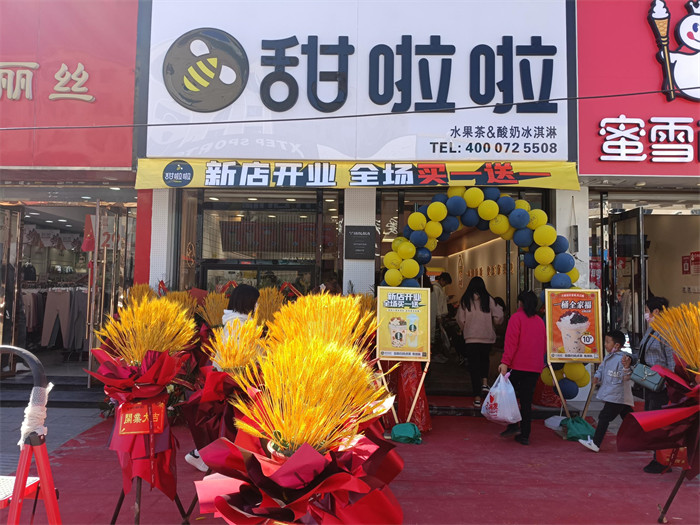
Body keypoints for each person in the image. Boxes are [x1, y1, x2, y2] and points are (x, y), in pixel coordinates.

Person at [185, 284, 260, 473]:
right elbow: (245, 356)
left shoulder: (234, 323)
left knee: (230, 425)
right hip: (236, 382)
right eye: (256, 302)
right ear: (249, 303)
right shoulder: (239, 326)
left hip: (229, 381)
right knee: (235, 426)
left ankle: (201, 454)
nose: (258, 306)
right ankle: (205, 456)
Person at [497, 290, 546, 445]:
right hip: (534, 367)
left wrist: (505, 362)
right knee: (526, 401)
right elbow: (543, 344)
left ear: (521, 303)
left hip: (517, 365)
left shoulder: (516, 318)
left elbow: (511, 343)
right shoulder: (539, 321)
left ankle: (513, 425)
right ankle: (525, 434)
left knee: (509, 397)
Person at [637, 296, 676, 474]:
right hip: (650, 380)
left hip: (662, 383)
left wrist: (671, 382)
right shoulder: (652, 329)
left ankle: (662, 459)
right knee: (652, 418)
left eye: (647, 310)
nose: (645, 314)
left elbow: (671, 360)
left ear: (656, 311)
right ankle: (657, 457)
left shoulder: (667, 332)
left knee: (659, 422)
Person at [579, 330, 633, 453]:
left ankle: (596, 443)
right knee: (629, 418)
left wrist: (626, 368)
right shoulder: (608, 356)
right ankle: (641, 438)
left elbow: (626, 376)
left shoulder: (623, 358)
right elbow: (602, 368)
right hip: (614, 394)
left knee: (604, 417)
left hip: (617, 394)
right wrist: (597, 376)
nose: (605, 344)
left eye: (608, 342)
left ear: (617, 345)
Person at [456, 276, 504, 408]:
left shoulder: (465, 301)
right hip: (486, 337)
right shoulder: (489, 300)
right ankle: (484, 383)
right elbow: (499, 316)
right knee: (484, 360)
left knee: (474, 367)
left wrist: (465, 328)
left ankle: (477, 398)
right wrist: (495, 323)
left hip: (471, 338)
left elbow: (460, 319)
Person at [430, 272, 452, 364]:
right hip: (437, 316)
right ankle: (435, 355)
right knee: (437, 337)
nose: (444, 285)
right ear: (442, 280)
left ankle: (438, 354)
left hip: (439, 316)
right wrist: (438, 316)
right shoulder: (436, 288)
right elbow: (436, 304)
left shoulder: (438, 288)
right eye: (445, 283)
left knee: (439, 337)